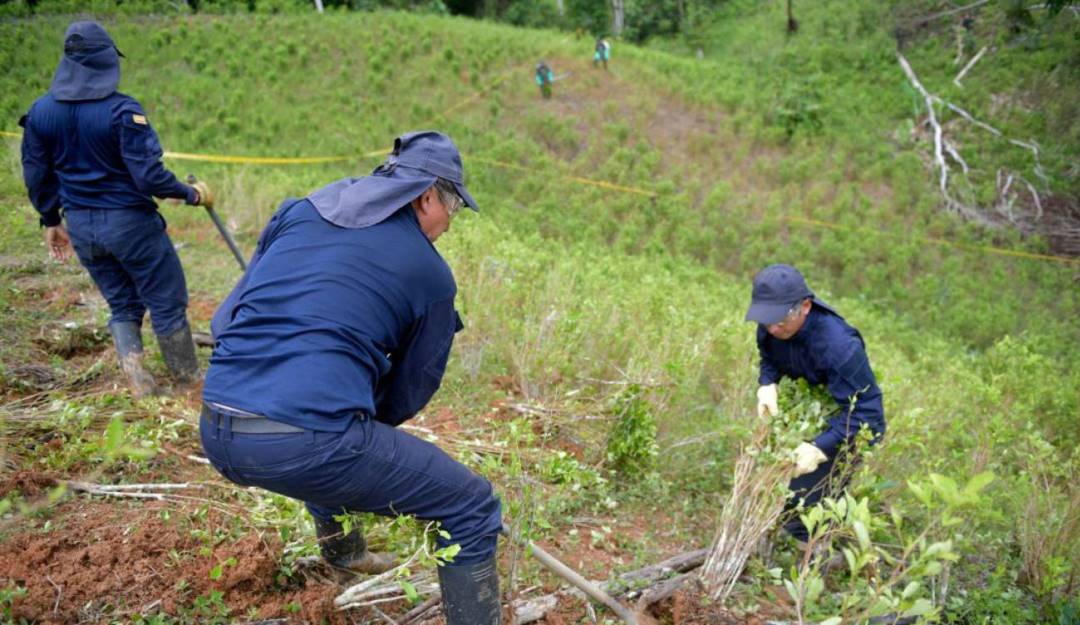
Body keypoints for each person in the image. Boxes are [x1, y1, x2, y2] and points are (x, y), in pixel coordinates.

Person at [200, 131, 502, 625]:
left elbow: (224, 320)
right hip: (300, 444)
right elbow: (409, 391)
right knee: (470, 505)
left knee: (336, 426)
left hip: (216, 426)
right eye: (453, 209)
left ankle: (345, 557)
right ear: (427, 196)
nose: (450, 224)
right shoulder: (430, 274)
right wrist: (345, 416)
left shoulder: (300, 212)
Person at [20, 21, 211, 398]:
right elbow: (149, 176)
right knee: (166, 300)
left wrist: (50, 218)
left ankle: (139, 380)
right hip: (130, 226)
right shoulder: (123, 111)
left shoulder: (40, 113)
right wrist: (191, 194)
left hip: (81, 227)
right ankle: (188, 382)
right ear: (106, 61)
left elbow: (36, 174)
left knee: (122, 303)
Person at [745, 264, 886, 547]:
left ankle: (816, 553)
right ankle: (785, 536)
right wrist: (767, 383)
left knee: (804, 502)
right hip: (811, 407)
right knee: (773, 481)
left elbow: (869, 414)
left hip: (850, 421)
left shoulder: (839, 346)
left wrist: (820, 446)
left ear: (806, 306)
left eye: (779, 321)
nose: (772, 329)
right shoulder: (771, 325)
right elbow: (768, 356)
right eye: (765, 320)